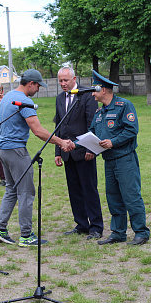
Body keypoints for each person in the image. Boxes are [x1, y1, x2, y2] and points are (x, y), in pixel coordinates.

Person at [0, 69, 72, 247]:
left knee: (11, 189)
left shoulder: (8, 96)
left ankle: (0, 229)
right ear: (30, 84)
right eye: (38, 86)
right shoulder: (25, 101)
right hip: (16, 151)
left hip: (2, 149)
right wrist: (61, 142)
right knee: (26, 192)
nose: (38, 90)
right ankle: (26, 236)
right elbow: (38, 131)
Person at [71, 70, 150, 246]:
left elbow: (131, 130)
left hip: (125, 159)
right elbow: (91, 134)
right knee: (113, 197)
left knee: (131, 196)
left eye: (95, 90)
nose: (92, 94)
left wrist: (113, 142)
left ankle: (141, 232)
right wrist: (73, 144)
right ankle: (118, 232)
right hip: (109, 161)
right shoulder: (100, 113)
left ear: (104, 90)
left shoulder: (124, 105)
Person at [55, 66, 103, 240]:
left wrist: (91, 149)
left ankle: (96, 226)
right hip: (67, 152)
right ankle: (81, 224)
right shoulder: (60, 98)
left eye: (66, 80)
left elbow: (94, 124)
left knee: (89, 189)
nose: (63, 84)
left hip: (84, 152)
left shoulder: (87, 95)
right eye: (60, 80)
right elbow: (59, 125)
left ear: (74, 78)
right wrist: (58, 151)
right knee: (74, 190)